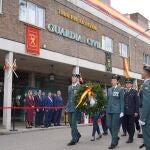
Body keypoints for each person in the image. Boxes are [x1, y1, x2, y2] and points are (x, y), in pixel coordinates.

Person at [106, 75, 124, 149]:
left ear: (117, 81)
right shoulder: (109, 89)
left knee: (115, 127)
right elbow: (107, 100)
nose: (112, 81)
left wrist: (122, 111)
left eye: (114, 80)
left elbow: (122, 101)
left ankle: (113, 143)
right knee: (109, 125)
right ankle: (116, 137)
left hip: (116, 111)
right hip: (109, 110)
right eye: (112, 80)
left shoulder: (120, 89)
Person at [66, 74, 81, 146]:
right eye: (72, 77)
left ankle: (74, 139)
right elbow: (69, 98)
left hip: (76, 108)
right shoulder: (69, 87)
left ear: (77, 79)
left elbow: (81, 98)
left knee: (73, 123)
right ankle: (77, 134)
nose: (72, 78)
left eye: (74, 77)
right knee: (70, 122)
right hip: (69, 107)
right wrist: (67, 106)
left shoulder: (79, 87)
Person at [122, 78, 139, 143]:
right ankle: (130, 135)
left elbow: (137, 102)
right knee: (125, 125)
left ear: (131, 84)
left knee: (131, 125)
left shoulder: (134, 92)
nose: (127, 84)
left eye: (129, 83)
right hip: (124, 111)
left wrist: (136, 111)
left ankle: (130, 137)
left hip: (132, 111)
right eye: (126, 83)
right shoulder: (124, 92)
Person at [139, 65, 150, 150]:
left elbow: (147, 102)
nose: (141, 73)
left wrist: (142, 118)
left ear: (147, 73)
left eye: (142, 71)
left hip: (147, 117)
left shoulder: (147, 84)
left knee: (147, 139)